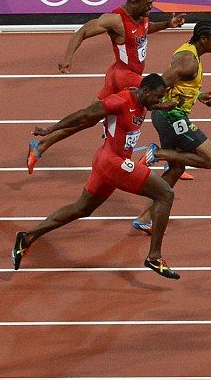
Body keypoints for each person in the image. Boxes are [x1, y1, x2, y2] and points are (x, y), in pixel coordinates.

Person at [13, 74, 181, 279]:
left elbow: (150, 103)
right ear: (145, 91)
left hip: (105, 161)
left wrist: (163, 106)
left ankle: (26, 238)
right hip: (114, 163)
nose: (159, 101)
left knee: (82, 208)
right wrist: (51, 129)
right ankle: (154, 257)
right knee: (165, 194)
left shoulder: (144, 100)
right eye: (158, 97)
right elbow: (85, 115)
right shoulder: (120, 101)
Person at [26, 0, 185, 172]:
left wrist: (167, 25)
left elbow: (144, 29)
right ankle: (171, 159)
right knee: (160, 94)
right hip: (124, 77)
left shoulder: (142, 16)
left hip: (120, 76)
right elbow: (84, 31)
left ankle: (41, 144)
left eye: (152, 2)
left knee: (88, 118)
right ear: (134, 3)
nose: (152, 7)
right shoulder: (116, 20)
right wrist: (68, 56)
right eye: (148, 4)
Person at [132, 20, 211, 234]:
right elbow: (158, 85)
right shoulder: (188, 61)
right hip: (172, 118)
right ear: (203, 39)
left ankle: (144, 218)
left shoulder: (190, 55)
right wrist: (158, 106)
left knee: (176, 168)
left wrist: (198, 96)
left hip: (169, 117)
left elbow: (180, 84)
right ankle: (158, 153)